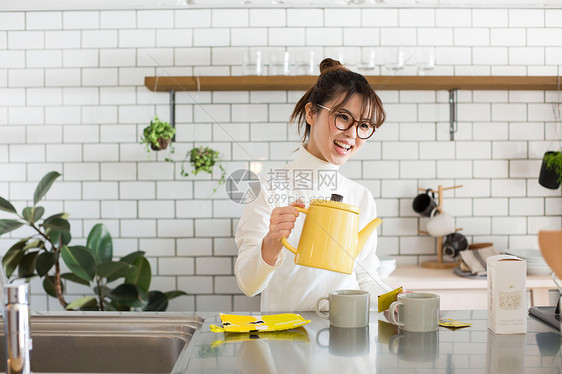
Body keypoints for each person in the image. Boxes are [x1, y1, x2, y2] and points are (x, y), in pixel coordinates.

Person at [235, 58, 391, 312]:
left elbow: (365, 278)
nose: (352, 134)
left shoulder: (360, 197)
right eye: (343, 117)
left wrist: (395, 300)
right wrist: (272, 242)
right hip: (284, 344)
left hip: (347, 342)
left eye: (363, 125)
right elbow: (248, 284)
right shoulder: (269, 189)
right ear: (311, 113)